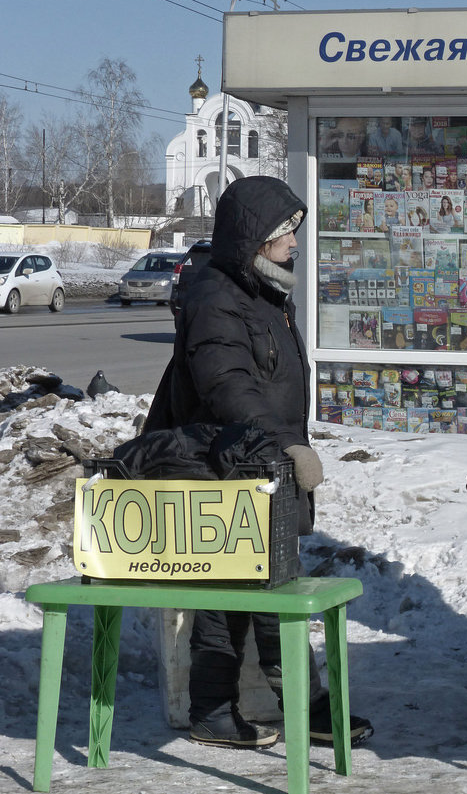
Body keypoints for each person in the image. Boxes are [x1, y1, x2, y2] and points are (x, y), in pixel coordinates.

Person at [145, 176, 373, 749]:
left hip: (261, 472)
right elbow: (228, 385)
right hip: (225, 471)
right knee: (238, 598)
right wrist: (285, 446)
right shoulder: (215, 297)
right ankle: (220, 710)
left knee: (270, 592)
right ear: (252, 239)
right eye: (283, 234)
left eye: (295, 232)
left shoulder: (264, 293)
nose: (294, 243)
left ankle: (298, 705)